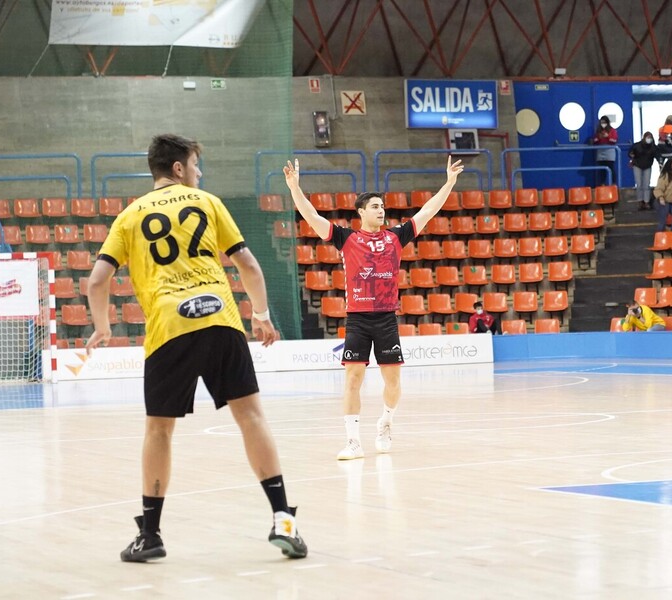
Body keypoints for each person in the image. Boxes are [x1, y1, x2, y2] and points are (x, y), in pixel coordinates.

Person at [86, 134, 307, 562]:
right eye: (196, 167)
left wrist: (102, 326)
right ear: (179, 170)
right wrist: (260, 316)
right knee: (252, 418)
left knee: (158, 430)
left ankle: (150, 535)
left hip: (169, 328)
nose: (200, 174)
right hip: (221, 320)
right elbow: (247, 264)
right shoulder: (207, 203)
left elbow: (96, 280)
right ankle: (283, 519)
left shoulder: (129, 217)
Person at [284, 156, 463, 461]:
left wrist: (448, 183)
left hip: (386, 318)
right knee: (352, 379)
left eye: (383, 207)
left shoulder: (396, 236)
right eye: (375, 207)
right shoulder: (346, 238)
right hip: (357, 318)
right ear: (361, 212)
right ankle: (353, 442)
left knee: (392, 382)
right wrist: (294, 188)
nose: (381, 211)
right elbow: (311, 215)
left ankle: (386, 422)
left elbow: (429, 210)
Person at [628, 132, 658, 209]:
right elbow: (630, 153)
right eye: (647, 137)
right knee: (639, 184)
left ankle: (646, 202)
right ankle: (640, 201)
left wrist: (660, 161)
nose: (649, 139)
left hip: (647, 166)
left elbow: (657, 155)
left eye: (650, 137)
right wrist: (631, 155)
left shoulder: (653, 147)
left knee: (646, 185)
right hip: (637, 165)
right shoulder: (637, 146)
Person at [653, 158, 672, 232]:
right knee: (662, 221)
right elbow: (658, 188)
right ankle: (660, 237)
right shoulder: (665, 176)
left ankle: (671, 234)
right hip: (664, 201)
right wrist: (661, 197)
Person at [590, 115, 618, 186]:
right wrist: (599, 138)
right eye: (602, 122)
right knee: (602, 169)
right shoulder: (598, 131)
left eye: (605, 122)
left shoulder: (612, 131)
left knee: (611, 167)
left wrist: (608, 137)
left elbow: (614, 140)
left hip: (609, 151)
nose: (603, 124)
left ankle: (614, 183)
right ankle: (602, 184)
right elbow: (595, 140)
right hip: (600, 151)